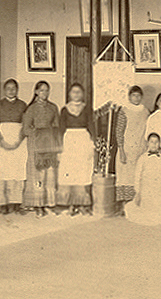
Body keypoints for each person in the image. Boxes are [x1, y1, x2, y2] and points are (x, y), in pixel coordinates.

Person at [0, 79, 28, 215]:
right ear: (4, 90)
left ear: (17, 90)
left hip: (19, 141)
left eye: (14, 88)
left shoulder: (23, 105)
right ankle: (2, 203)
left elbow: (26, 124)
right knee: (3, 172)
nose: (11, 91)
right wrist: (1, 141)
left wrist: (19, 139)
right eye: (8, 88)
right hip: (3, 140)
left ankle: (16, 203)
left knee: (17, 172)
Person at [22, 81, 60, 218]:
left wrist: (54, 141)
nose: (45, 93)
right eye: (42, 90)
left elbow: (57, 127)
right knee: (38, 175)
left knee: (50, 174)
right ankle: (38, 205)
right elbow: (26, 129)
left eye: (47, 90)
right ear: (36, 92)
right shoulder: (31, 109)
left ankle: (49, 203)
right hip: (35, 144)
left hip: (49, 143)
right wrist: (38, 134)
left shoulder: (53, 108)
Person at [58, 83, 95, 216]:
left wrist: (93, 142)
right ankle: (71, 204)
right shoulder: (64, 110)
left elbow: (91, 125)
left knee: (83, 171)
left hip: (83, 140)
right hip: (69, 141)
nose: (76, 94)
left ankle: (83, 204)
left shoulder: (87, 109)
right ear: (69, 94)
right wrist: (60, 146)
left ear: (83, 94)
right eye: (74, 92)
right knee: (70, 171)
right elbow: (61, 129)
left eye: (79, 92)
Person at [125, 133, 161, 226]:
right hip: (146, 186)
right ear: (147, 143)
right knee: (145, 207)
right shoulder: (142, 158)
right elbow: (137, 175)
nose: (154, 144)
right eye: (152, 142)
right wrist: (138, 191)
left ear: (160, 144)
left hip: (160, 186)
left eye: (156, 142)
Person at [115, 85, 149, 213]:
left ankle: (135, 205)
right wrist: (121, 151)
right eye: (133, 95)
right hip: (127, 149)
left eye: (138, 95)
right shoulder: (124, 111)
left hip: (140, 148)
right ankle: (123, 205)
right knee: (125, 176)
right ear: (129, 97)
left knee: (138, 176)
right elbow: (119, 132)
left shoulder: (146, 112)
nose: (136, 98)